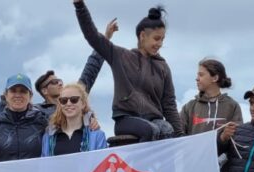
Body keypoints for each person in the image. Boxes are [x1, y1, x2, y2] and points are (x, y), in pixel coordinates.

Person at [74, 1, 183, 141]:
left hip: (154, 119)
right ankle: (142, 164)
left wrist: (181, 137)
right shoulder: (121, 56)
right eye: (156, 39)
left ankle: (167, 163)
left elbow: (169, 104)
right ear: (142, 36)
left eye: (162, 39)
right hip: (126, 120)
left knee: (167, 129)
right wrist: (80, 6)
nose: (160, 44)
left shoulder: (163, 67)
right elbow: (93, 36)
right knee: (151, 130)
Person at [41, 82, 108, 157]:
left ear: (83, 104)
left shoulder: (97, 136)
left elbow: (102, 165)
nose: (68, 104)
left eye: (74, 99)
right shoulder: (48, 138)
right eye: (64, 100)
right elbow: (45, 166)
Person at [182, 58, 242, 136]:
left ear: (215, 78)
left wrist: (223, 139)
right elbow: (178, 136)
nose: (197, 78)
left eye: (201, 75)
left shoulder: (232, 106)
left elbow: (238, 137)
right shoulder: (189, 107)